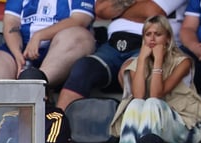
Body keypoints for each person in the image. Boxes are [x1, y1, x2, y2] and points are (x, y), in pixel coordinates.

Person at [0, 0, 94, 136]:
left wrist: (40, 36)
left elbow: (79, 20)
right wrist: (17, 54)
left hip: (60, 46)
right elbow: (11, 23)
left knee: (78, 37)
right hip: (24, 46)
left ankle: (33, 86)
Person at [105, 15, 201, 143]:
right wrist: (141, 61)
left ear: (168, 38)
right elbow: (138, 95)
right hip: (150, 126)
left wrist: (158, 60)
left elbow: (156, 94)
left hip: (185, 128)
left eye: (158, 34)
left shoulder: (183, 61)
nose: (152, 39)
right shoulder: (138, 61)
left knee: (153, 102)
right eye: (148, 35)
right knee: (135, 103)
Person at [56, 0, 186, 110]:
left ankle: (140, 133)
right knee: (84, 68)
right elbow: (101, 9)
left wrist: (121, 8)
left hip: (150, 44)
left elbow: (152, 11)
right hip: (113, 44)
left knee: (132, 71)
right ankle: (56, 128)